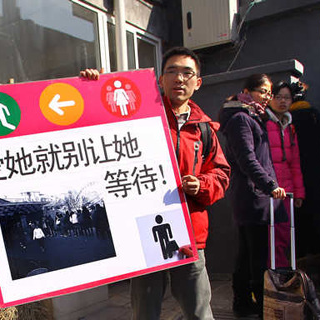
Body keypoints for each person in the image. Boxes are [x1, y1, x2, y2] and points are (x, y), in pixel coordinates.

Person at [80, 46, 231, 320]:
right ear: (160, 80)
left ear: (198, 83)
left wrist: (201, 184)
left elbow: (221, 173)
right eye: (171, 71)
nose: (179, 78)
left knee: (199, 312)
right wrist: (92, 88)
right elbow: (96, 128)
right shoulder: (137, 116)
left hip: (189, 234)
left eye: (187, 73)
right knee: (145, 312)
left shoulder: (204, 129)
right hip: (144, 234)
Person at [219, 74, 287, 318]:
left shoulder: (253, 116)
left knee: (248, 253)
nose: (267, 97)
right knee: (256, 256)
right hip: (252, 197)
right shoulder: (240, 119)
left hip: (256, 195)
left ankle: (244, 302)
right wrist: (269, 185)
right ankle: (259, 306)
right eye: (262, 91)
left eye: (269, 92)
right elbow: (247, 159)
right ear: (247, 91)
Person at [289, 82, 320, 257]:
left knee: (298, 224)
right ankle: (317, 263)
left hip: (295, 177)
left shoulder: (287, 119)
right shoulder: (314, 115)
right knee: (315, 219)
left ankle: (301, 264)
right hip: (316, 175)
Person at [264, 81, 305, 268]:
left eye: (286, 98)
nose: (282, 101)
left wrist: (299, 192)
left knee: (284, 232)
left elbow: (295, 163)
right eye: (278, 97)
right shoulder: (262, 122)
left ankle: (281, 272)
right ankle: (272, 274)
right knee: (269, 234)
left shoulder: (289, 126)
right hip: (269, 186)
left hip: (287, 187)